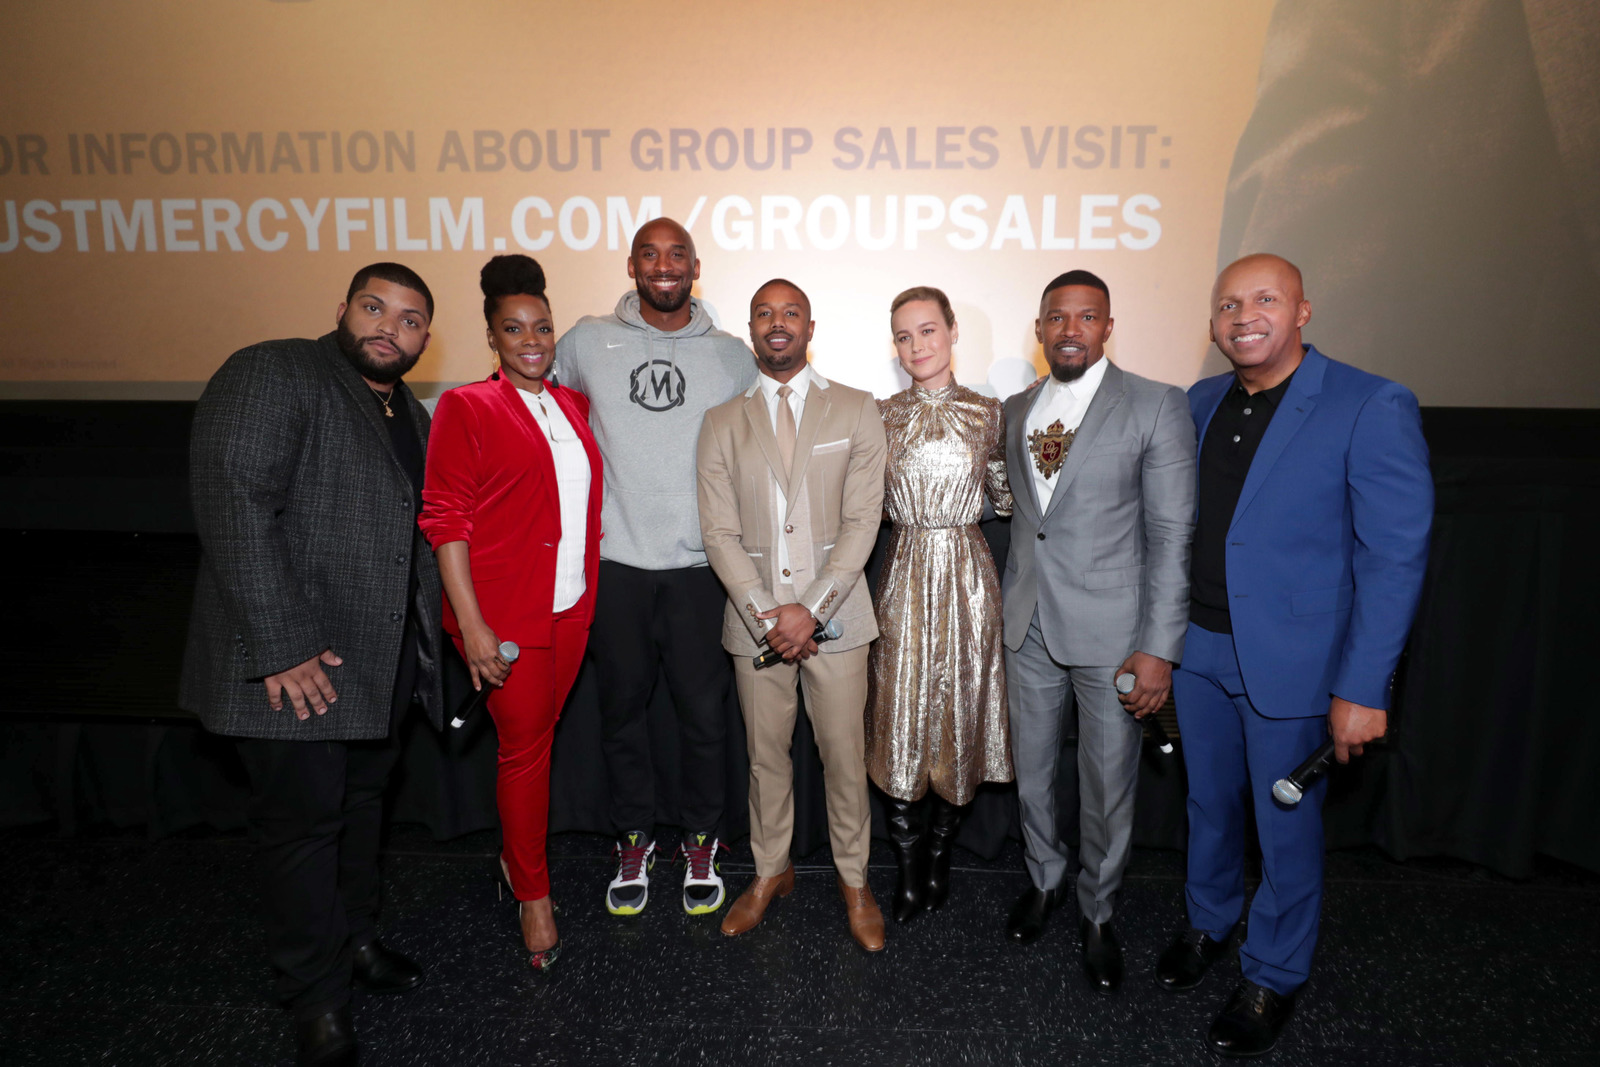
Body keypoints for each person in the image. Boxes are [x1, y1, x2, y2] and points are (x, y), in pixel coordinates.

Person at [1158, 254, 1432, 1057]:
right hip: (1195, 648)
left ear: (1303, 310)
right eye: (1228, 303)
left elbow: (1395, 555)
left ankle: (1274, 969)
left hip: (1296, 663)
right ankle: (1209, 922)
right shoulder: (1199, 401)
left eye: (1265, 299)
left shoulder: (1368, 402)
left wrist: (1363, 683)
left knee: (1283, 826)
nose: (1244, 315)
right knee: (1207, 805)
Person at [180, 263, 444, 1067]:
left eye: (408, 320)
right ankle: (314, 996)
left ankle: (354, 942)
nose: (387, 327)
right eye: (375, 307)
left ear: (424, 339)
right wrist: (282, 644)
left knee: (362, 811)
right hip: (296, 665)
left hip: (377, 663)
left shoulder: (413, 412)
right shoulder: (274, 369)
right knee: (300, 831)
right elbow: (232, 499)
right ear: (343, 308)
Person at [554, 217, 758, 916]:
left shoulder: (732, 355)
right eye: (650, 254)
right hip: (616, 566)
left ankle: (702, 838)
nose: (663, 266)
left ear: (695, 266)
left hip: (702, 568)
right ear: (632, 264)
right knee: (621, 715)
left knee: (704, 716)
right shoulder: (585, 340)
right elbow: (535, 410)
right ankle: (633, 837)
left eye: (677, 255)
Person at [1000, 270, 1197, 993]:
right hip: (1027, 622)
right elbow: (1033, 523)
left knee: (1108, 783)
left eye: (1087, 317)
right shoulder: (1018, 407)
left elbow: (1172, 534)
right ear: (1041, 327)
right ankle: (1046, 879)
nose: (1071, 329)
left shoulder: (1154, 404)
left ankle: (1097, 909)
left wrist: (1158, 646)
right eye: (1058, 317)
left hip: (1116, 634)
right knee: (1033, 769)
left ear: (1108, 327)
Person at [419, 255, 603, 971]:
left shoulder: (571, 407)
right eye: (514, 328)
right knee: (525, 753)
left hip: (570, 611)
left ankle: (515, 856)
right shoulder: (468, 406)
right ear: (492, 336)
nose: (532, 339)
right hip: (507, 621)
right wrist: (473, 627)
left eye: (543, 327)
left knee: (540, 744)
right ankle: (533, 892)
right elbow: (446, 521)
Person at [696, 279, 889, 951]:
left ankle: (855, 880)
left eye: (790, 313)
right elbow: (718, 534)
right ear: (751, 328)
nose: (777, 324)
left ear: (810, 325)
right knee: (764, 759)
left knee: (843, 758)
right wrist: (768, 615)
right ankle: (771, 871)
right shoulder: (721, 421)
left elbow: (866, 520)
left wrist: (809, 610)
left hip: (836, 625)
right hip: (755, 629)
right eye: (764, 314)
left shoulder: (859, 410)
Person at [865, 285, 1014, 924]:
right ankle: (904, 869)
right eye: (904, 335)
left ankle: (939, 858)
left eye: (927, 330)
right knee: (898, 723)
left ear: (952, 332)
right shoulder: (877, 414)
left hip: (969, 577)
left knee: (961, 716)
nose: (916, 345)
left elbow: (1005, 499)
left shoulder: (991, 413)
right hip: (902, 572)